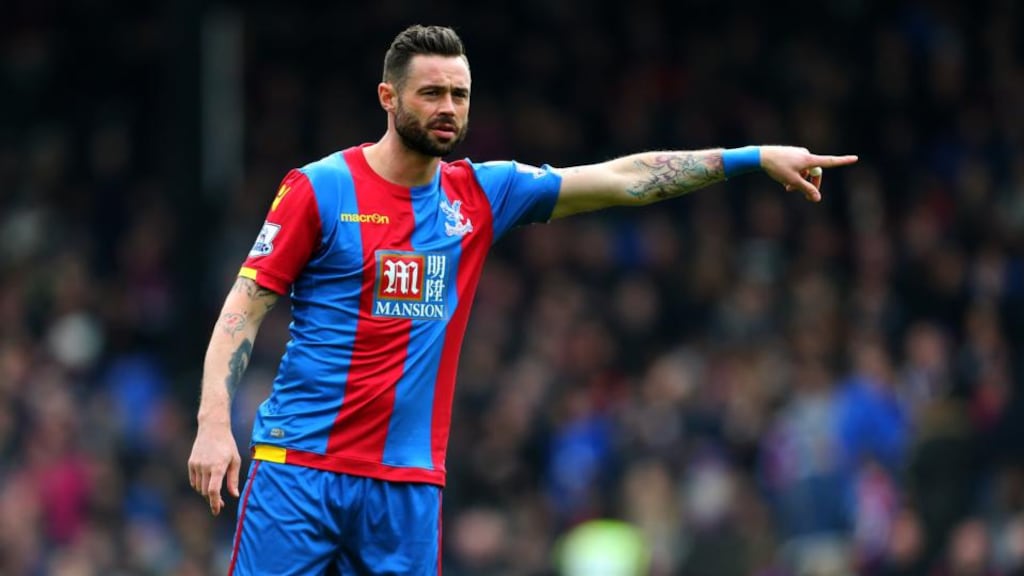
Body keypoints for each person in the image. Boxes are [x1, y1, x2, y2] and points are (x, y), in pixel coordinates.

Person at [187, 24, 858, 575]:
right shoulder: (319, 189)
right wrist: (215, 424)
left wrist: (751, 156)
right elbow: (244, 308)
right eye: (431, 94)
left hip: (407, 485)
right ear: (388, 98)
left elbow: (624, 179)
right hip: (300, 470)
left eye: (459, 94)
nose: (448, 108)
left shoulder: (479, 194)